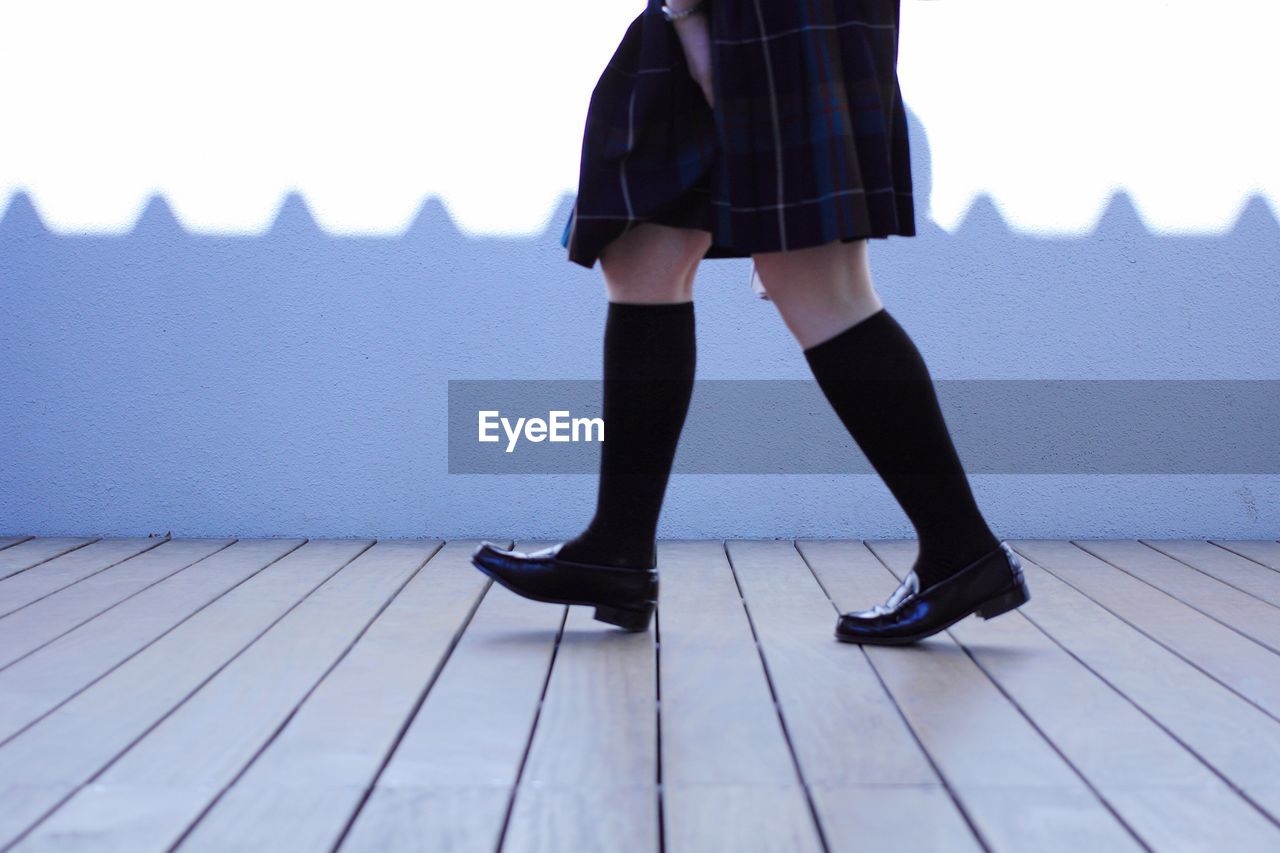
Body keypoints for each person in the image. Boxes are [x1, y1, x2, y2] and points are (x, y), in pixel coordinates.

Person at [471, 0, 1030, 644]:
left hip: (760, 18)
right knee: (644, 248)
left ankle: (963, 551)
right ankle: (615, 549)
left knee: (820, 287)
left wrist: (685, 16)